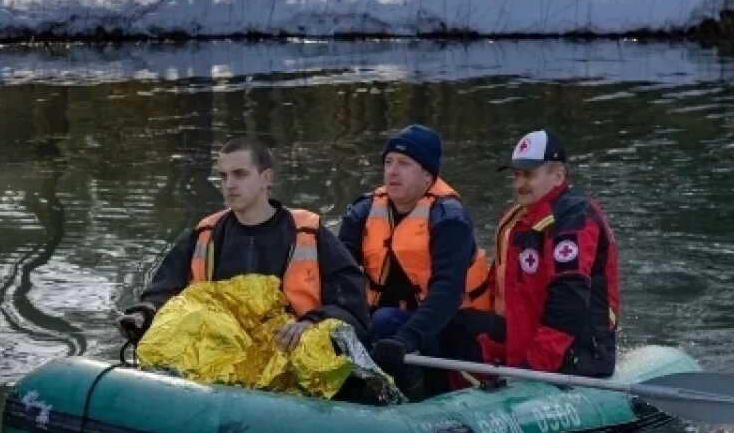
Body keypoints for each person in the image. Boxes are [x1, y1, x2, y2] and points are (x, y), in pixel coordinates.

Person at [115, 137, 371, 351]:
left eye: (240, 174)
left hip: (290, 348)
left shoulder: (308, 232)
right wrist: (144, 313)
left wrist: (310, 323)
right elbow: (165, 288)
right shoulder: (206, 233)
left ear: (265, 178)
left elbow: (351, 303)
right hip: (219, 349)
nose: (229, 185)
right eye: (223, 176)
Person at [443, 129, 620, 377]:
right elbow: (500, 286)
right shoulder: (516, 219)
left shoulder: (574, 218)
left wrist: (533, 367)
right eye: (515, 176)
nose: (519, 184)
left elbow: (568, 303)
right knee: (453, 325)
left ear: (558, 176)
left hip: (577, 355)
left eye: (528, 175)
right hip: (523, 339)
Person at [339, 124, 492, 400]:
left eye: (404, 164)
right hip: (388, 325)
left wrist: (406, 338)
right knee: (348, 325)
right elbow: (339, 277)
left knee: (384, 321)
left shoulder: (449, 219)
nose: (392, 171)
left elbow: (446, 294)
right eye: (388, 162)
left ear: (427, 176)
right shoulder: (362, 213)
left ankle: (421, 397)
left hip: (450, 327)